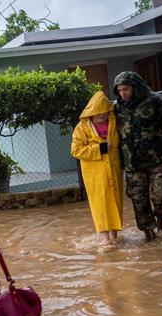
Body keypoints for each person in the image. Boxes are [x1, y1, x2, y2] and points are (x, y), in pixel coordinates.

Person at [112, 71, 162, 242]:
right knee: (138, 200)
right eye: (120, 90)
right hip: (132, 163)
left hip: (156, 159)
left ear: (135, 87)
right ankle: (148, 233)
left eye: (126, 89)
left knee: (161, 195)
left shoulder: (156, 100)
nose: (123, 93)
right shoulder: (116, 107)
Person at [71, 90, 123, 246]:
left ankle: (115, 237)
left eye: (105, 113)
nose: (103, 116)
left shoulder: (114, 122)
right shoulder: (81, 128)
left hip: (114, 169)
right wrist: (99, 149)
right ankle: (104, 239)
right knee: (100, 203)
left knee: (115, 200)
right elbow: (76, 150)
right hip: (95, 173)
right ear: (91, 114)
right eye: (99, 114)